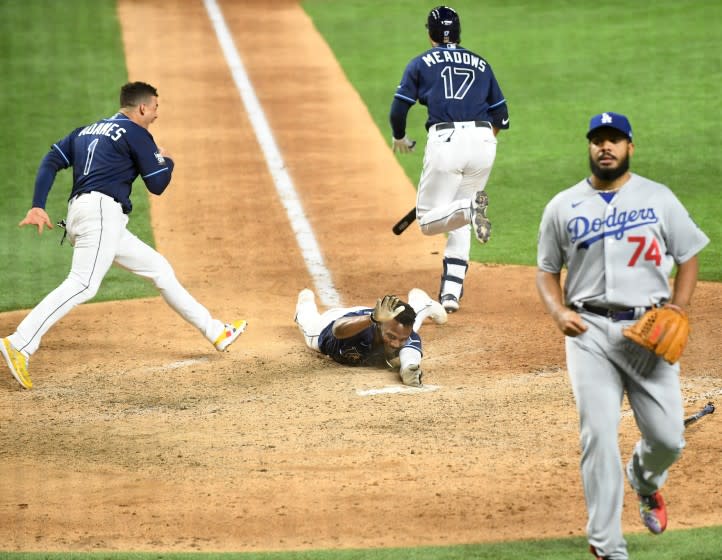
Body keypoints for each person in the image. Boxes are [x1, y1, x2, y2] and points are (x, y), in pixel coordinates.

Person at [536, 112, 709, 560]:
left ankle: (645, 480)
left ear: (630, 146)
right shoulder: (563, 205)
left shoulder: (659, 198)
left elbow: (688, 255)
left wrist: (679, 307)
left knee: (668, 438)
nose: (605, 147)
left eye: (614, 140)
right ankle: (607, 544)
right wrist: (557, 311)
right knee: (598, 433)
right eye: (598, 141)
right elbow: (547, 271)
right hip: (588, 332)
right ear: (590, 147)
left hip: (648, 333)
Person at [0, 82, 247, 390]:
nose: (157, 114)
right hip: (101, 214)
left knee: (159, 269)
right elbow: (157, 184)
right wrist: (166, 160)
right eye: (155, 108)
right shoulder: (136, 133)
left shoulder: (86, 130)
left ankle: (215, 332)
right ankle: (20, 343)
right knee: (83, 283)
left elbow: (52, 160)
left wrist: (38, 204)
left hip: (90, 215)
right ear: (142, 108)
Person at [389, 5, 510, 313]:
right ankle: (450, 295)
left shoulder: (420, 62)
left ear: (430, 34)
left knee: (429, 222)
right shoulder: (481, 64)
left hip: (446, 141)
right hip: (484, 141)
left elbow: (399, 109)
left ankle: (469, 208)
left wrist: (400, 137)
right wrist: (480, 143)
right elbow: (502, 116)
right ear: (459, 32)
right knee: (457, 221)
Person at [294, 288, 446, 387]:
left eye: (402, 340)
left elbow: (410, 356)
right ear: (379, 325)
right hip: (332, 322)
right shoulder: (361, 330)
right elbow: (337, 330)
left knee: (407, 324)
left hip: (383, 319)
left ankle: (421, 303)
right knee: (307, 324)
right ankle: (305, 303)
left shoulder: (403, 334)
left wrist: (409, 369)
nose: (395, 343)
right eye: (391, 337)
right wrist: (372, 318)